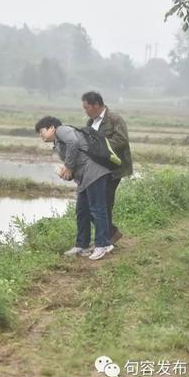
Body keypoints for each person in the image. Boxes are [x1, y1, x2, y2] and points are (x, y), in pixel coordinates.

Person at [35, 116, 114, 260]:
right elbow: (76, 161)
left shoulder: (62, 130)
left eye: (42, 131)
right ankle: (82, 245)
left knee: (97, 208)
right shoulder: (58, 142)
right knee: (82, 211)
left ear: (52, 127)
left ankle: (103, 244)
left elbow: (74, 142)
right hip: (85, 177)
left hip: (94, 172)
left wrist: (68, 166)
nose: (41, 136)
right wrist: (67, 173)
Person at [81, 91, 133, 244]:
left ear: (96, 105)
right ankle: (110, 234)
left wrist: (101, 147)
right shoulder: (90, 123)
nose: (85, 111)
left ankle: (105, 239)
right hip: (98, 170)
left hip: (114, 169)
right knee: (95, 204)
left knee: (104, 204)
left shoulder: (115, 119)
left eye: (86, 107)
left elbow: (122, 140)